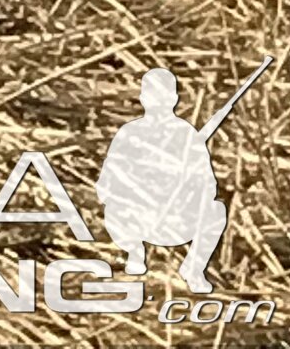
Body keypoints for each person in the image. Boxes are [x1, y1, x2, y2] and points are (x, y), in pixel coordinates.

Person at [97, 69, 227, 292]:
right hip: (136, 219)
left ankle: (193, 269)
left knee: (216, 211)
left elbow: (208, 186)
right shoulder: (129, 133)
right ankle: (135, 253)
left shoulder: (187, 135)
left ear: (174, 99)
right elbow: (106, 183)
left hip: (176, 221)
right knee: (112, 209)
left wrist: (184, 188)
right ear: (143, 98)